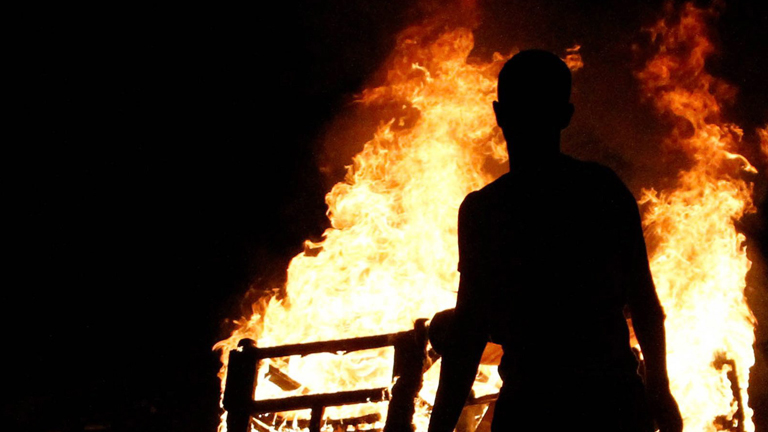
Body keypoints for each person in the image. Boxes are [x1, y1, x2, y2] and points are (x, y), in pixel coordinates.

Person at [427, 50, 683, 432]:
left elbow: (469, 333)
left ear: (499, 115)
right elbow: (644, 301)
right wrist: (659, 390)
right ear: (565, 116)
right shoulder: (602, 190)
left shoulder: (485, 210)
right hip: (612, 404)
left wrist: (439, 427)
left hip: (532, 407)